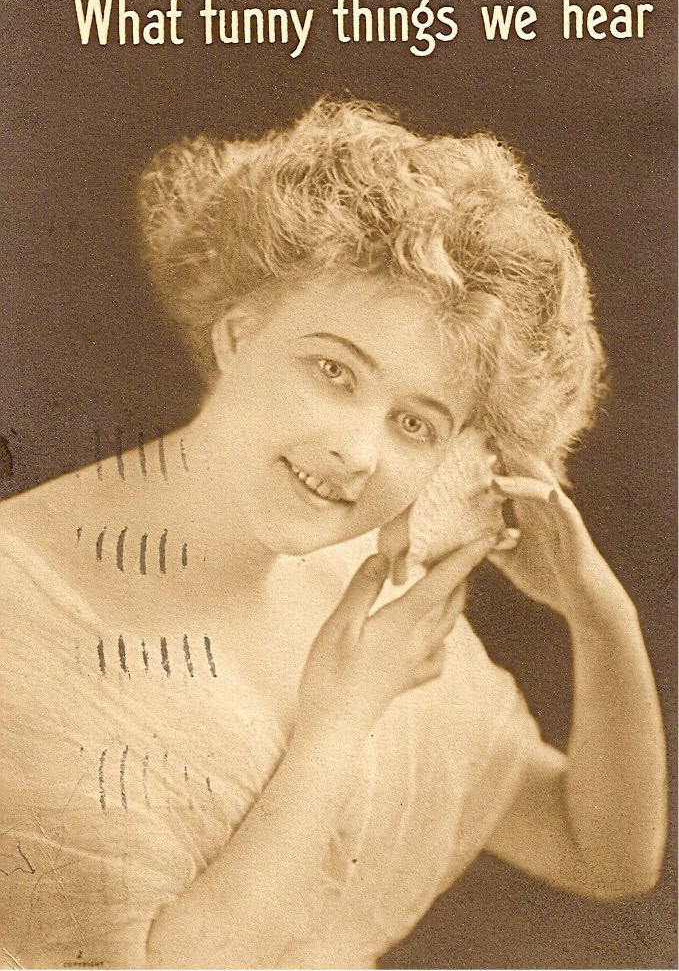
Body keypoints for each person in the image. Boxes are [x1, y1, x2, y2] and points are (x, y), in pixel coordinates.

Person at [0, 99, 667, 970]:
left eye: (415, 423)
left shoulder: (364, 589)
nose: (356, 451)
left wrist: (597, 613)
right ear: (237, 332)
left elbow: (602, 855)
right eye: (332, 370)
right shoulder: (19, 613)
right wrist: (341, 716)